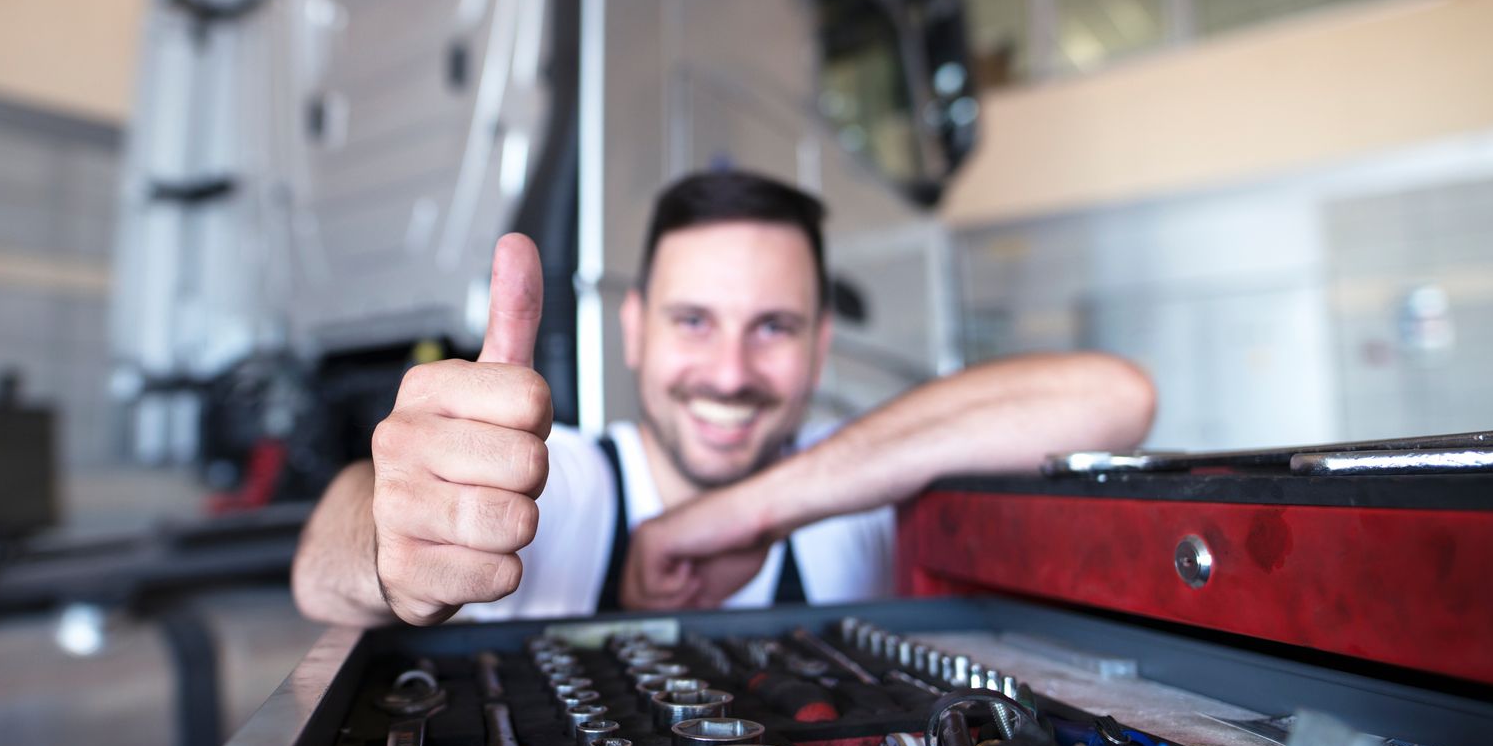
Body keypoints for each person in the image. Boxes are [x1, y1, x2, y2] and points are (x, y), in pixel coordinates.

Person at [292, 171, 1155, 627]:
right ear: (634, 331)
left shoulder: (849, 479)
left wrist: (743, 513)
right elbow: (319, 571)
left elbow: (1114, 398)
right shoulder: (567, 485)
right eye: (694, 320)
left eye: (774, 326)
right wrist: (386, 542)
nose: (731, 371)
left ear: (821, 345)